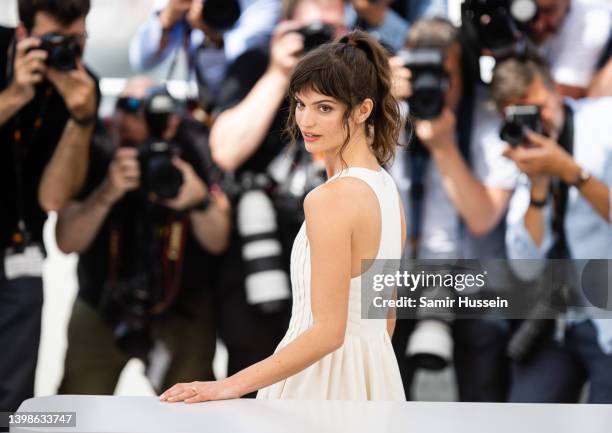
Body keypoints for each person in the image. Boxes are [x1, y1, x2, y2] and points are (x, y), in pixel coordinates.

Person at [159, 30, 407, 402]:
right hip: (374, 381)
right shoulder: (387, 190)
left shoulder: (330, 198)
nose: (306, 120)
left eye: (324, 107)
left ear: (362, 110)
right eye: (301, 104)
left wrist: (225, 387)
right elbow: (384, 318)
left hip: (320, 386)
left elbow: (327, 332)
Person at [56, 77, 231, 395]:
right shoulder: (97, 143)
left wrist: (199, 200)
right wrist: (106, 193)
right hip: (103, 300)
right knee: (77, 408)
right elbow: (66, 241)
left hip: (182, 303)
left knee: (193, 412)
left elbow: (218, 240)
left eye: (150, 110)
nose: (132, 118)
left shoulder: (192, 143)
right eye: (127, 106)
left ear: (173, 119)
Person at [389, 17, 519, 402]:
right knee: (381, 402)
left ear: (462, 70)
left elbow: (483, 217)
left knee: (485, 403)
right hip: (396, 282)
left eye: (443, 75)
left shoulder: (489, 113)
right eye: (421, 73)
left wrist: (444, 147)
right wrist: (375, 94)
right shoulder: (381, 110)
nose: (434, 87)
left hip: (474, 284)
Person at [491, 56, 612, 403]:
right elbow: (525, 264)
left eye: (537, 109)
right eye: (519, 116)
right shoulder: (522, 152)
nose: (534, 125)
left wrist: (571, 172)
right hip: (557, 317)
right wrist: (539, 187)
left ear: (557, 92)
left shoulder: (604, 124)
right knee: (525, 418)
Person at [0, 0, 97, 412]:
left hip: (20, 250)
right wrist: (14, 95)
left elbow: (54, 198)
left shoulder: (80, 83)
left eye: (76, 40)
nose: (66, 50)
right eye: (55, 40)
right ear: (23, 33)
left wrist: (81, 120)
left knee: (12, 397)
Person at [129, 0, 280, 112]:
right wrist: (167, 18)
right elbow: (142, 60)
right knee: (138, 88)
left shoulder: (261, 4)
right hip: (199, 107)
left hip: (248, 104)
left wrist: (212, 36)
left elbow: (236, 70)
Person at [527, 0, 611, 98]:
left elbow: (565, 90)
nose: (538, 24)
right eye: (533, 11)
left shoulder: (594, 20)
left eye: (547, 11)